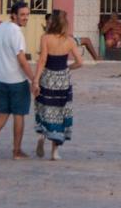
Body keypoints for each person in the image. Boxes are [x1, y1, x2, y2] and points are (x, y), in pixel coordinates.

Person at [0, 2, 37, 159]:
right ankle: (16, 150)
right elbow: (21, 59)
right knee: (18, 114)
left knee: (3, 110)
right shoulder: (17, 33)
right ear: (14, 15)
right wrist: (33, 79)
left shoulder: (2, 27)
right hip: (16, 80)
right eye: (22, 14)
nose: (26, 17)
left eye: (27, 14)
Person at [33, 9, 83, 160]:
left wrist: (35, 79)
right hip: (63, 79)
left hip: (48, 77)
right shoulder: (69, 41)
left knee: (44, 107)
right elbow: (80, 62)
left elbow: (42, 61)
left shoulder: (45, 38)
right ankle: (54, 152)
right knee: (60, 112)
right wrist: (68, 68)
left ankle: (41, 137)